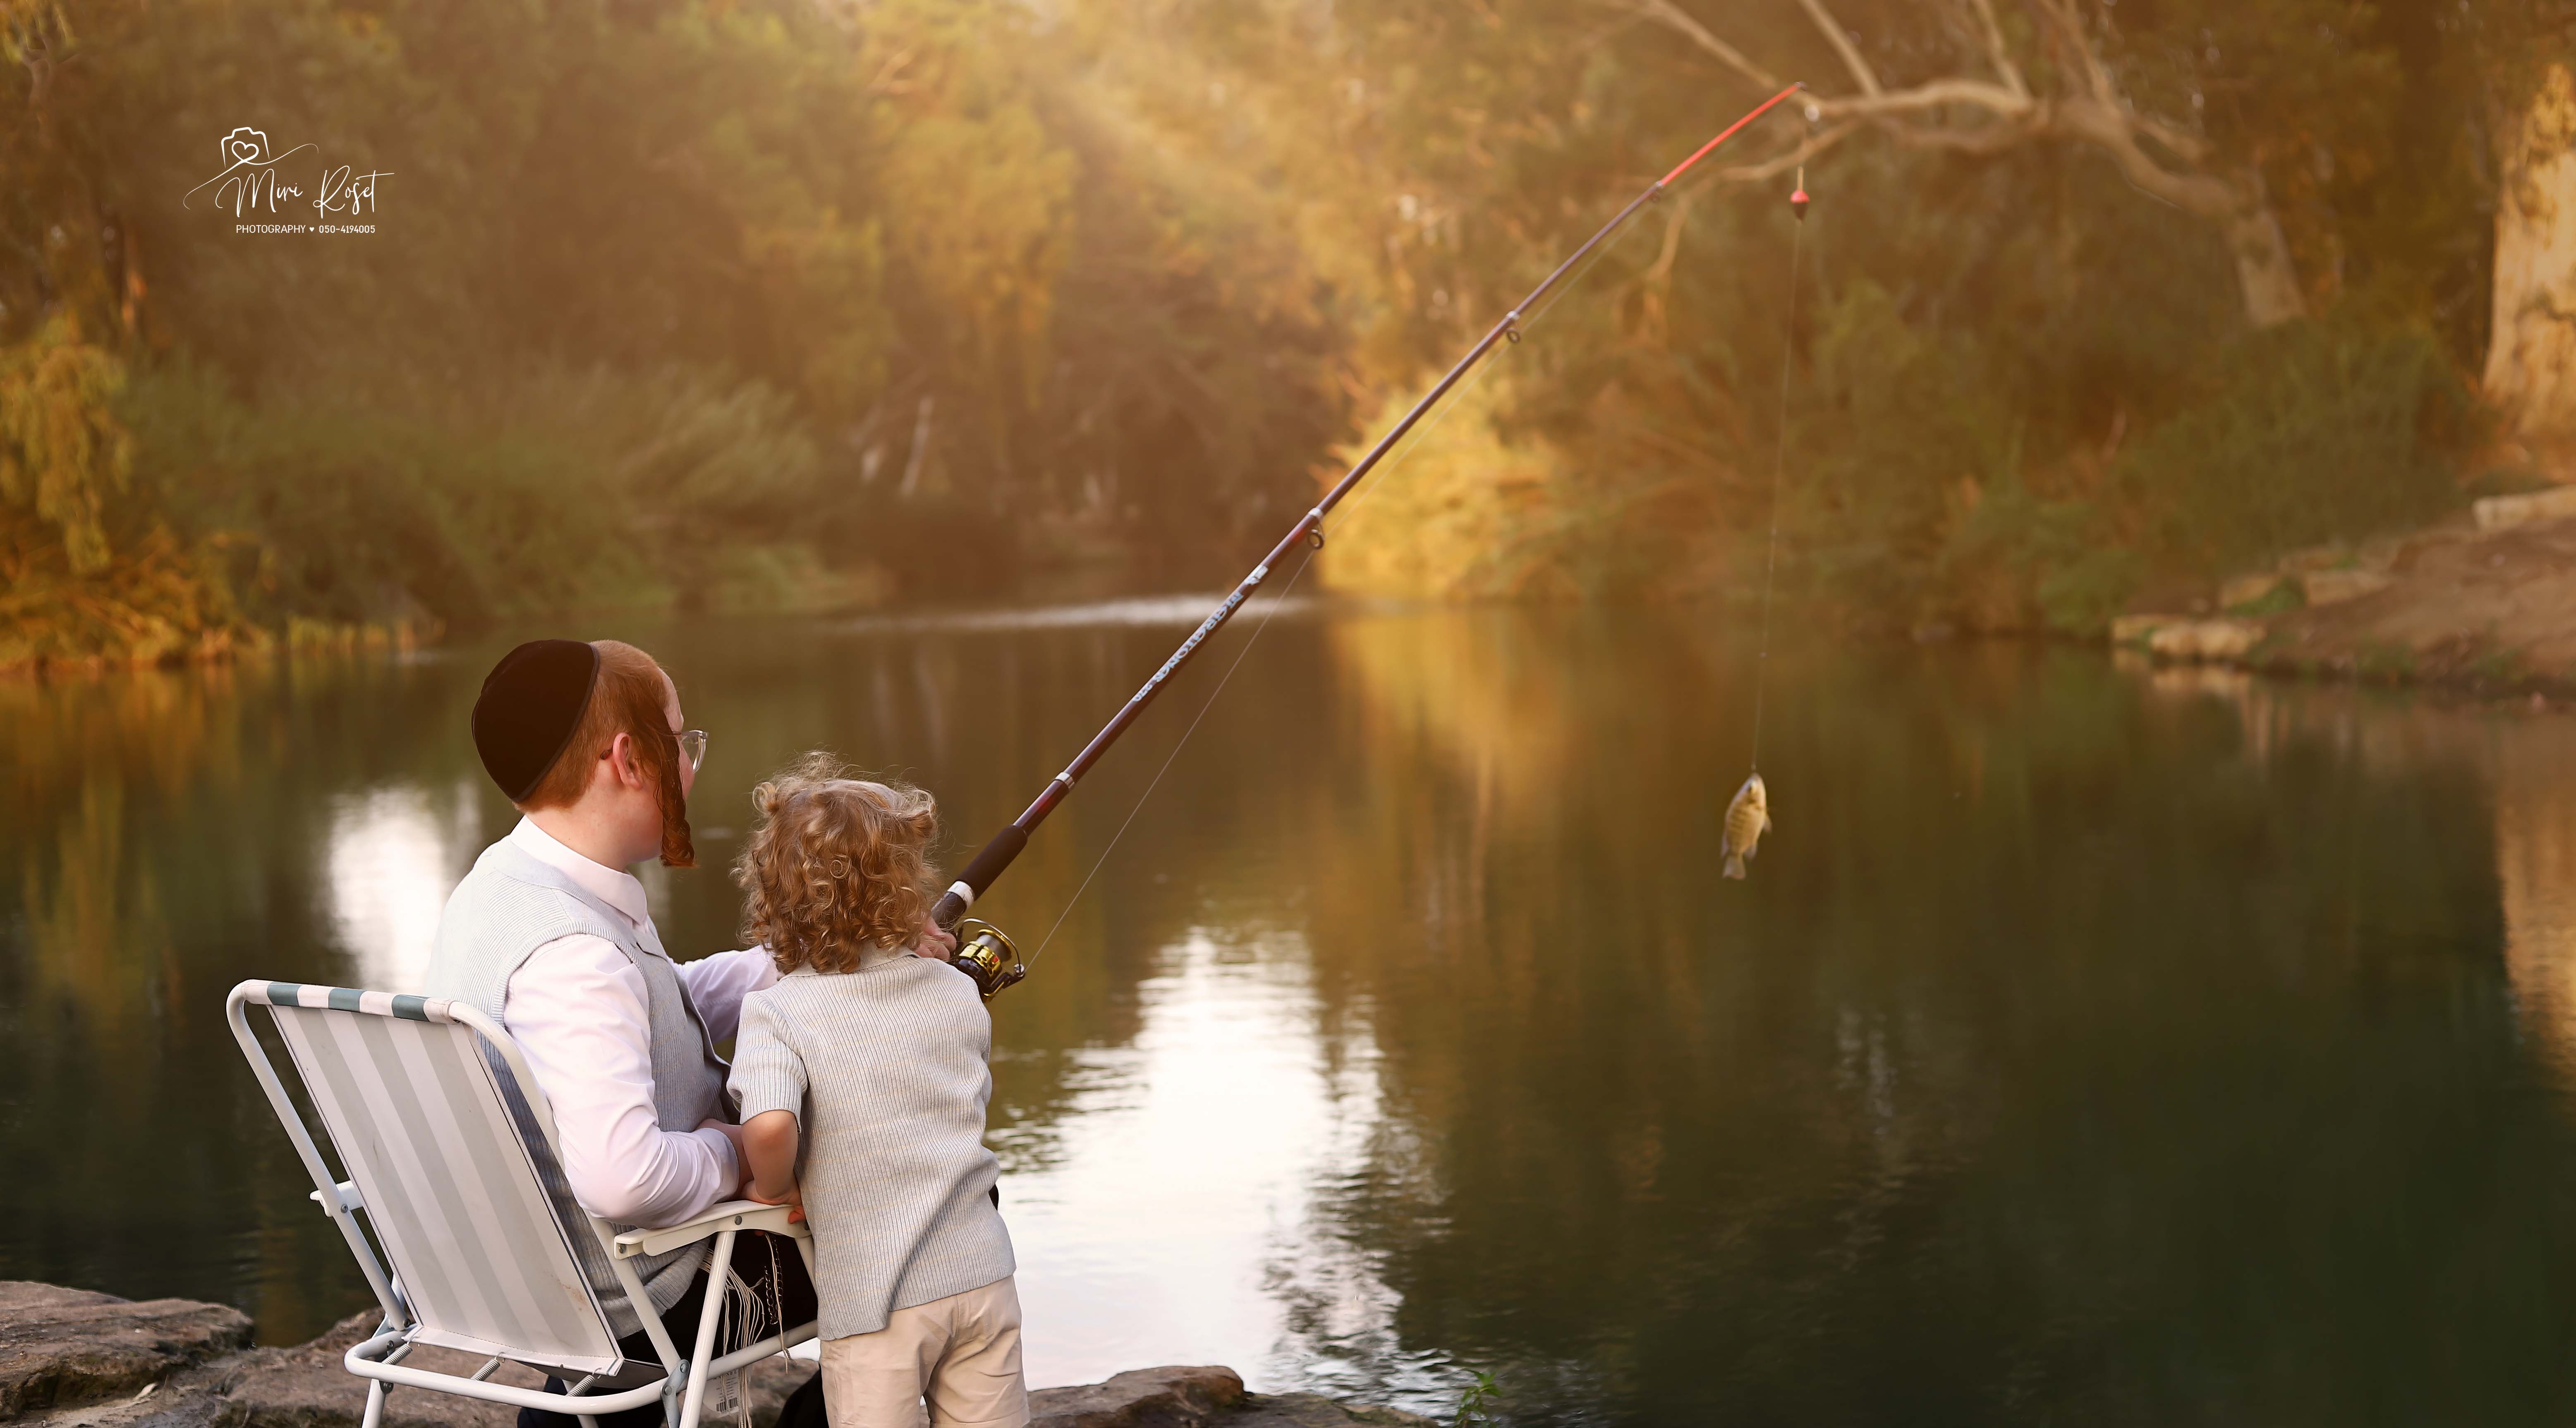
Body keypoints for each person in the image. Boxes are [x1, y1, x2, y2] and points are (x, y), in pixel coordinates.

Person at [423, 640, 902, 1428]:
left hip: (531, 1286)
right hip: (648, 1306)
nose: (690, 763)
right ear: (629, 759)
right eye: (683, 741)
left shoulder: (507, 886)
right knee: (938, 1202)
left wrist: (815, 956)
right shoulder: (574, 955)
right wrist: (737, 1151)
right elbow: (625, 1180)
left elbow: (656, 1005)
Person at [725, 754, 1026, 1428]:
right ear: (909, 888)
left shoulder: (777, 1011)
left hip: (876, 1300)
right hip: (983, 1274)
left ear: (773, 896)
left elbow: (770, 1127)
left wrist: (777, 1186)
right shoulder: (956, 989)